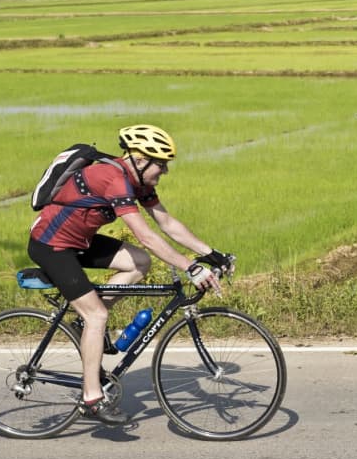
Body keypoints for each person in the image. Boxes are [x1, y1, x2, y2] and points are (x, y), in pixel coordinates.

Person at [27, 124, 233, 424]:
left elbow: (167, 223)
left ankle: (83, 323)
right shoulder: (113, 179)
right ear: (140, 160)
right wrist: (189, 267)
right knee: (97, 316)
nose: (165, 171)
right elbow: (146, 236)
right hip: (52, 246)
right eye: (161, 164)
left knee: (139, 262)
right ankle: (92, 397)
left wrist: (210, 253)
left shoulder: (139, 183)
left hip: (80, 242)